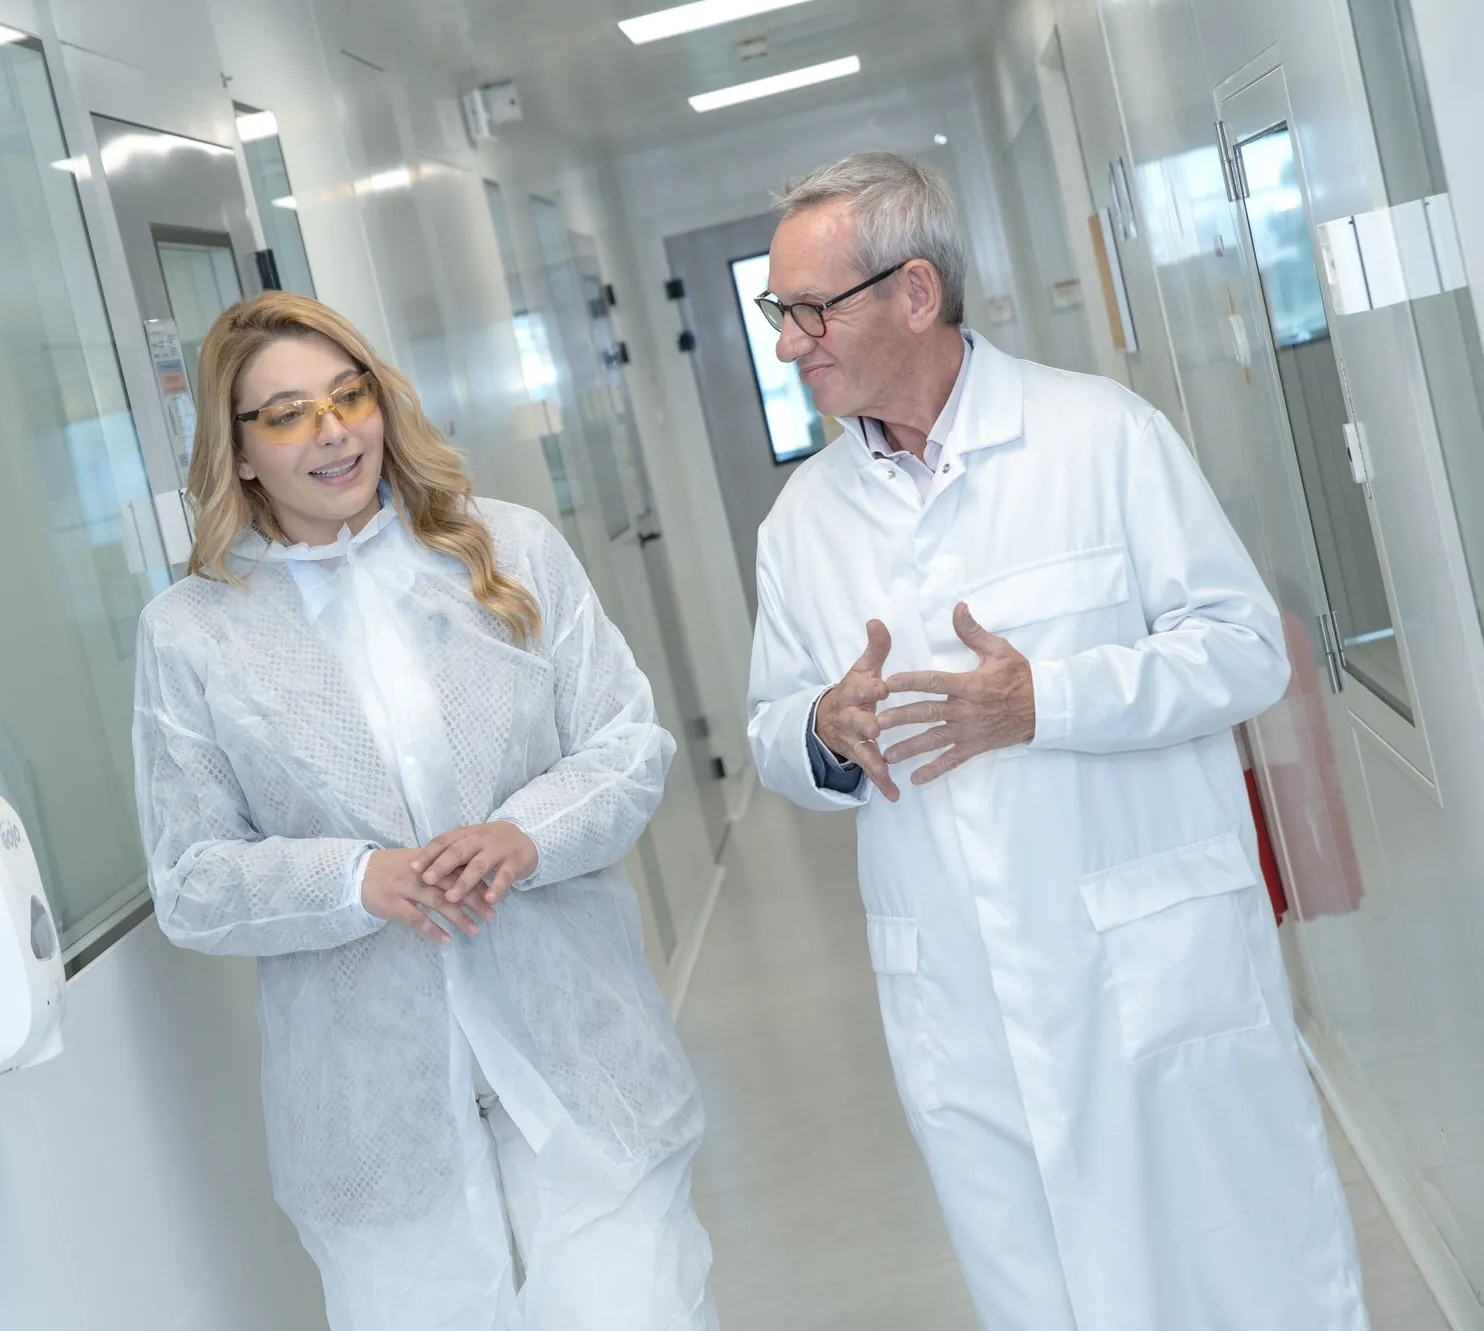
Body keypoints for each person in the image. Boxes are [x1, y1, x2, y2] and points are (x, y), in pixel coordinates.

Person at [744, 153, 1368, 1331]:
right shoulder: (800, 524)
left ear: (913, 292)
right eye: (778, 311)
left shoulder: (1100, 436)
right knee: (1042, 1291)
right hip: (959, 1003)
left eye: (811, 311)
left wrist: (1045, 701)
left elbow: (1243, 647)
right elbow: (769, 730)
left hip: (1150, 965)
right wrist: (820, 731)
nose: (786, 344)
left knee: (1244, 1272)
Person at [132, 291, 716, 1331]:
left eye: (349, 395)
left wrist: (525, 834)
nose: (331, 431)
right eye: (288, 413)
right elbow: (192, 878)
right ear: (239, 451)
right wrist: (356, 879)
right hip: (373, 1113)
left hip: (583, 1062)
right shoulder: (192, 632)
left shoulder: (508, 550)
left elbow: (628, 744)